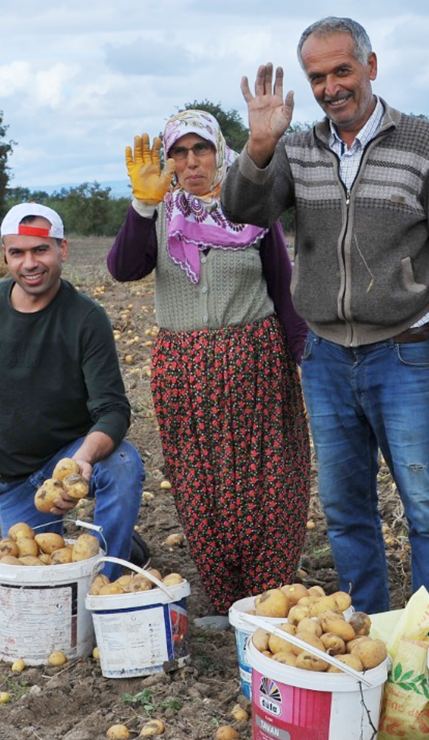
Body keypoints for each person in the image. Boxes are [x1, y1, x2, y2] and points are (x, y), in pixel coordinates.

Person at [221, 17, 429, 630]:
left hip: (407, 353)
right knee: (344, 506)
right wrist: (258, 147)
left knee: (426, 506)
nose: (331, 87)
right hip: (327, 356)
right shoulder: (297, 148)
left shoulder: (425, 145)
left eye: (342, 70)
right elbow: (243, 211)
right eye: (317, 77)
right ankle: (364, 630)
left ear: (371, 65)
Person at [106, 109, 311, 616]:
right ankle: (225, 601)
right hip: (184, 367)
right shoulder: (160, 212)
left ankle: (268, 596)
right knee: (202, 484)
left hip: (256, 358)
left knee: (271, 477)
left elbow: (282, 285)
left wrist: (299, 354)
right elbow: (123, 267)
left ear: (221, 151)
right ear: (168, 160)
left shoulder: (250, 205)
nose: (191, 161)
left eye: (201, 149)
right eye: (179, 151)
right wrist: (142, 205)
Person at [0, 203, 145, 578]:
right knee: (33, 573)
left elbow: (113, 409)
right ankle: (121, 547)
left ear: (62, 250)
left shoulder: (85, 318)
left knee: (123, 465)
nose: (29, 263)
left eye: (40, 250)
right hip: (12, 475)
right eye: (17, 252)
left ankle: (110, 576)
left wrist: (80, 461)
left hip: (67, 456)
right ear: (5, 255)